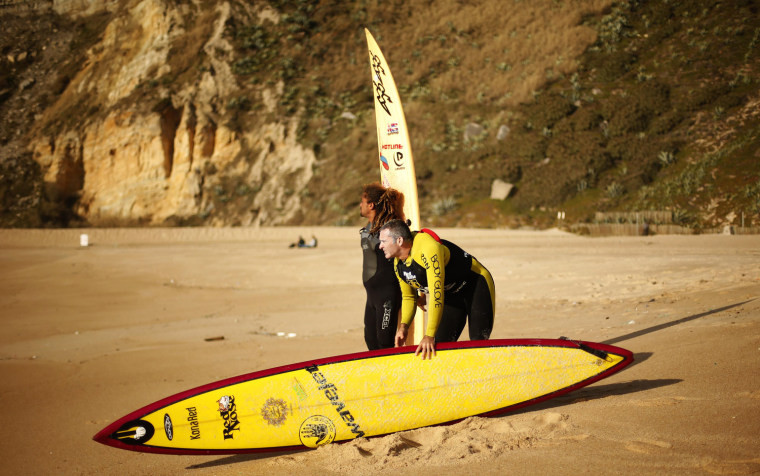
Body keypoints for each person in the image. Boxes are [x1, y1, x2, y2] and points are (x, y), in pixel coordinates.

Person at [378, 219, 495, 359]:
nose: (380, 246)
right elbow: (408, 297)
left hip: (475, 286)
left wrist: (429, 335)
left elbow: (436, 294)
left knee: (478, 343)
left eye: (383, 241)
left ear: (399, 241)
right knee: (438, 348)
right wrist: (404, 326)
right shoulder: (398, 263)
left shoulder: (428, 248)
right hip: (451, 295)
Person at [359, 183, 406, 350]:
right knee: (371, 341)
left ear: (371, 205)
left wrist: (417, 291)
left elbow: (405, 257)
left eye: (362, 202)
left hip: (387, 295)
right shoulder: (368, 228)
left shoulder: (389, 229)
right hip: (371, 295)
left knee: (384, 343)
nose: (360, 205)